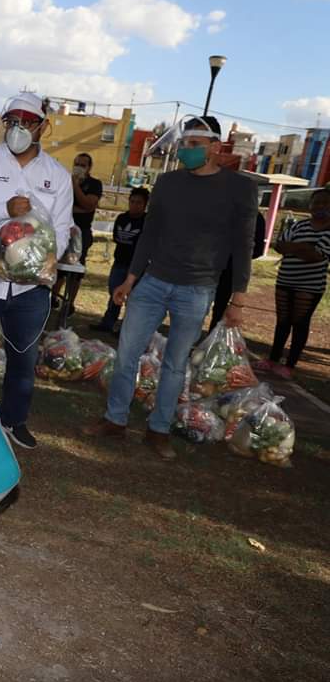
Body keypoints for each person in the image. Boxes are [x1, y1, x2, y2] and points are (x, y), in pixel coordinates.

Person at [83, 116, 257, 459]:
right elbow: (149, 234)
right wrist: (130, 280)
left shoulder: (240, 189)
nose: (185, 150)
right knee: (127, 354)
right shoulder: (167, 183)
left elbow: (243, 245)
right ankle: (115, 420)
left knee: (176, 365)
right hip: (153, 282)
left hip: (197, 289)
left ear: (215, 147)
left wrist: (238, 299)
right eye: (184, 143)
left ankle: (158, 429)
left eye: (194, 145)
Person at [0, 92, 74, 449]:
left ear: (43, 126)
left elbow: (62, 229)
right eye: (12, 121)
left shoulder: (57, 176)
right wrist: (3, 210)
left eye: (27, 122)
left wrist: (40, 263)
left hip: (30, 288)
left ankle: (13, 419)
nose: (18, 129)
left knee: (23, 359)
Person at [252, 188, 330, 380]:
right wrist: (304, 248)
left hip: (309, 286)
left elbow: (316, 256)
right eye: (316, 202)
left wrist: (295, 248)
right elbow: (280, 245)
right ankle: (273, 359)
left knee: (300, 323)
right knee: (283, 321)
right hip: (285, 279)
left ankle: (290, 365)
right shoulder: (299, 226)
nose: (319, 206)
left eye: (325, 203)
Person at [94, 187, 149, 334]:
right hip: (120, 262)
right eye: (132, 201)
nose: (134, 205)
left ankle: (126, 328)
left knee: (133, 298)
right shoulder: (122, 218)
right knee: (114, 292)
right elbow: (116, 237)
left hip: (137, 267)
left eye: (139, 202)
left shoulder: (147, 222)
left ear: (145, 205)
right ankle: (108, 323)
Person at [51, 152, 101, 313]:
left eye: (82, 165)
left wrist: (76, 186)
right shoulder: (64, 181)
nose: (78, 167)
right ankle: (53, 298)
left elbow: (88, 205)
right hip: (62, 229)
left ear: (89, 168)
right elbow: (58, 205)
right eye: (76, 164)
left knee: (75, 270)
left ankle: (69, 303)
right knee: (58, 266)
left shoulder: (94, 184)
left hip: (82, 232)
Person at [209, 211, 266, 329]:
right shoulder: (255, 216)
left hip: (220, 267)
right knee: (217, 307)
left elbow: (257, 250)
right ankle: (211, 333)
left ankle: (212, 335)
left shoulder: (254, 217)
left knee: (215, 307)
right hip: (225, 269)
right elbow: (258, 250)